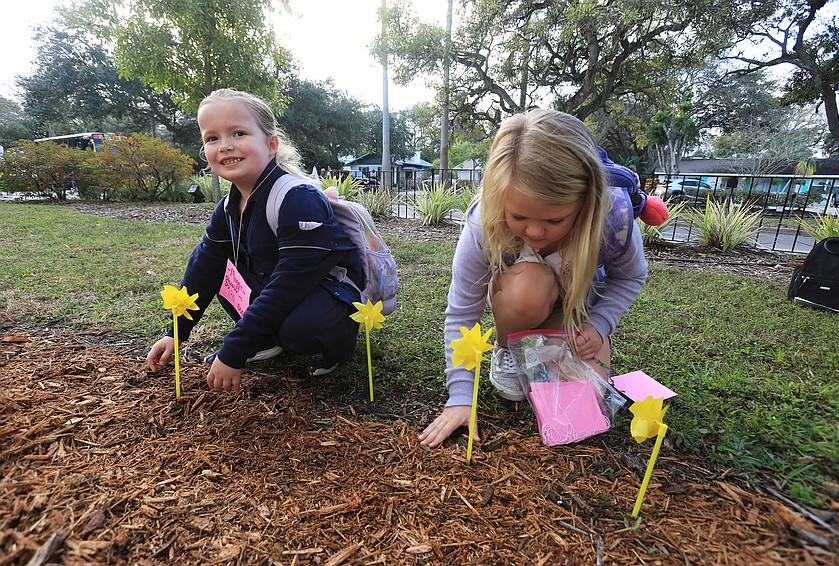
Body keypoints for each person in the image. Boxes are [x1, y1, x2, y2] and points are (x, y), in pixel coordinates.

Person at [418, 109, 649, 448]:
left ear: (586, 202)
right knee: (528, 287)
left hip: (578, 316)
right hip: (522, 298)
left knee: (580, 420)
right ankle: (510, 349)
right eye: (519, 216)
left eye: (555, 220)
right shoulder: (484, 222)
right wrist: (460, 397)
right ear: (500, 199)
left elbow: (630, 278)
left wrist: (599, 325)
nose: (536, 231)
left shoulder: (611, 218)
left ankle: (556, 350)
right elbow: (462, 313)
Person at [146, 88, 363, 393]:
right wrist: (176, 332)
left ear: (271, 144)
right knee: (220, 268)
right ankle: (265, 338)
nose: (224, 146)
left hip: (324, 291)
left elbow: (291, 282)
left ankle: (336, 344)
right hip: (278, 288)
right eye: (212, 138)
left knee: (300, 328)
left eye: (238, 133)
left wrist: (235, 348)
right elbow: (205, 268)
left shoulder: (298, 199)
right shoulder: (228, 206)